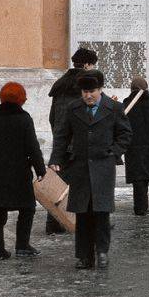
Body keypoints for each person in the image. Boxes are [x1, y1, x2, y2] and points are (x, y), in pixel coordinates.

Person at [48, 70, 132, 270]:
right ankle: (84, 256)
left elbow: (125, 134)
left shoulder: (113, 108)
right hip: (80, 168)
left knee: (102, 213)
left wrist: (114, 152)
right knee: (83, 214)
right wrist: (56, 158)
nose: (88, 96)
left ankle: (102, 252)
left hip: (103, 168)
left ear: (100, 90)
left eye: (92, 91)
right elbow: (62, 136)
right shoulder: (73, 108)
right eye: (85, 92)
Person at [0, 82, 46, 260]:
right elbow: (33, 146)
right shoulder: (24, 119)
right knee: (27, 208)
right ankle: (22, 246)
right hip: (20, 173)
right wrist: (40, 169)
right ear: (20, 99)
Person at [45, 47, 98, 234]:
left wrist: (59, 137)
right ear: (86, 64)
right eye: (92, 64)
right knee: (85, 184)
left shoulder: (61, 85)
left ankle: (54, 223)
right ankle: (88, 223)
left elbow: (53, 117)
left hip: (62, 141)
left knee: (60, 183)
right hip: (79, 143)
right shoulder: (85, 87)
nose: (93, 68)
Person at [122, 76, 149, 216]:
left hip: (132, 146)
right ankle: (141, 206)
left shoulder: (126, 104)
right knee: (145, 176)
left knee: (138, 178)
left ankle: (140, 206)